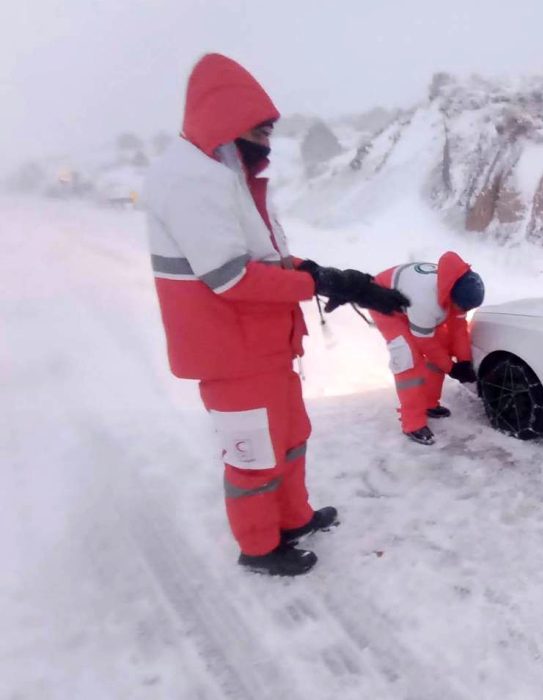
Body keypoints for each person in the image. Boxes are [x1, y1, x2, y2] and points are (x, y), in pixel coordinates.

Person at [143, 53, 408, 577]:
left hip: (264, 346)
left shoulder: (228, 176)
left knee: (289, 439)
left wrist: (330, 275)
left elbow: (267, 260)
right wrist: (318, 281)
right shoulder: (191, 180)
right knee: (253, 458)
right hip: (232, 354)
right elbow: (231, 277)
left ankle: (292, 518)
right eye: (259, 131)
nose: (266, 144)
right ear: (226, 120)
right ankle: (259, 546)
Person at [368, 252, 485, 445]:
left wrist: (463, 362)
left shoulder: (456, 288)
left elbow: (458, 330)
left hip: (412, 300)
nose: (463, 310)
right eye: (462, 306)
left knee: (443, 344)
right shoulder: (426, 301)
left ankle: (429, 403)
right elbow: (425, 343)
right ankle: (412, 422)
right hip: (384, 301)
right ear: (451, 295)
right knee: (408, 357)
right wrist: (452, 369)